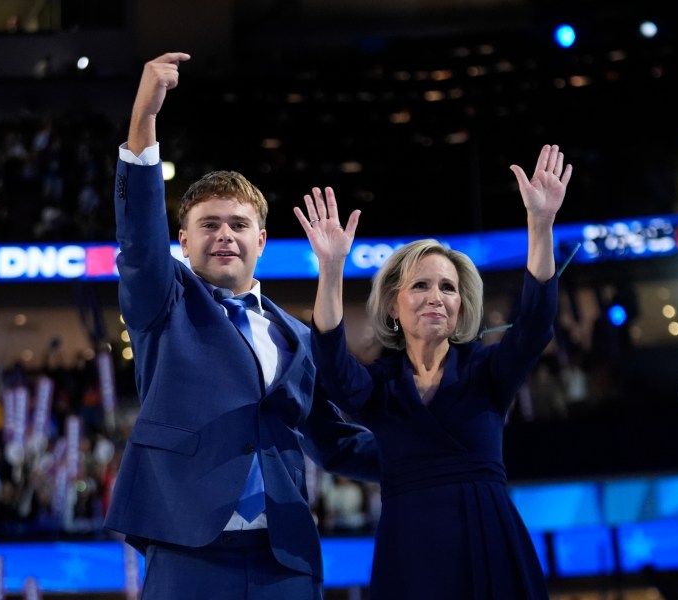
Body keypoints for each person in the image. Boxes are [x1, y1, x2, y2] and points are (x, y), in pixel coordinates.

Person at [104, 52, 380, 600]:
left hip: (286, 555)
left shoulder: (297, 337)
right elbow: (138, 243)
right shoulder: (165, 306)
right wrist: (143, 120)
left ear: (261, 241)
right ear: (183, 243)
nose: (224, 234)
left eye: (238, 224)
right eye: (208, 224)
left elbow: (334, 441)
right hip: (189, 550)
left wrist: (428, 445)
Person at [294, 144, 572, 599]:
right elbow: (332, 367)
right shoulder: (379, 386)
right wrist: (331, 268)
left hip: (490, 538)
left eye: (448, 287)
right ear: (392, 306)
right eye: (420, 286)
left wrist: (540, 224)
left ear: (461, 306)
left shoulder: (487, 372)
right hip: (411, 551)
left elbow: (536, 325)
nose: (436, 296)